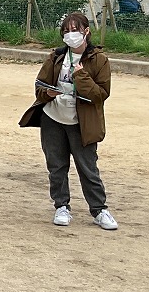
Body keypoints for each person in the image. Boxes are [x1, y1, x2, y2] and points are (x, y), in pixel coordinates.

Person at [19, 12, 117, 231]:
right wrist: (47, 93)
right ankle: (61, 206)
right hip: (53, 118)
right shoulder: (56, 57)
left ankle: (99, 210)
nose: (70, 35)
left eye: (75, 30)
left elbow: (101, 94)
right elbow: (39, 85)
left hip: (82, 123)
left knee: (88, 167)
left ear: (86, 31)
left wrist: (81, 77)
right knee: (56, 166)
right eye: (66, 31)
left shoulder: (99, 59)